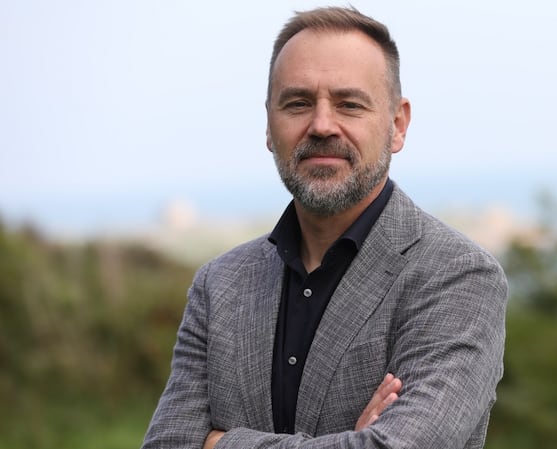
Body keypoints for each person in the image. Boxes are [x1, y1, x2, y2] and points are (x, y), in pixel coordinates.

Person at [142, 6, 507, 449]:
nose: (320, 125)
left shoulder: (458, 277)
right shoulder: (219, 286)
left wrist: (219, 443)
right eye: (297, 103)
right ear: (268, 124)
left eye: (349, 104)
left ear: (397, 124)